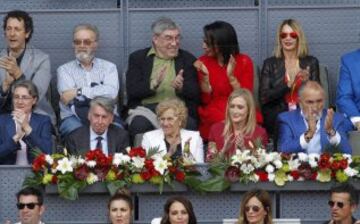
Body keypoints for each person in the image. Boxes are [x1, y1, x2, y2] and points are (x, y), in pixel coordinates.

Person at [126, 17, 200, 141]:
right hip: (147, 110)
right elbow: (132, 91)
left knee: (190, 124)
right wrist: (152, 85)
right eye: (169, 38)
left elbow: (195, 93)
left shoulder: (187, 59)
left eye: (177, 38)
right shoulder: (138, 58)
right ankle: (142, 159)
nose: (174, 43)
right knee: (138, 125)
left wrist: (181, 88)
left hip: (177, 110)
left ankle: (184, 160)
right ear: (155, 39)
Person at [194, 20, 261, 140]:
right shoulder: (203, 62)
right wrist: (205, 79)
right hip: (214, 108)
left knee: (238, 117)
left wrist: (231, 77)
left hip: (239, 105)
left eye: (207, 43)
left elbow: (246, 97)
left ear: (220, 43)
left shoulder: (244, 61)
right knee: (220, 119)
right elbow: (206, 100)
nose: (203, 46)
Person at [259, 18, 320, 140]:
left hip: (304, 113)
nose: (288, 38)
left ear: (299, 38)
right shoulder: (270, 63)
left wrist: (307, 83)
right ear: (279, 39)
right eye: (283, 35)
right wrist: (288, 85)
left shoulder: (311, 62)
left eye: (292, 35)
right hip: (278, 114)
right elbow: (264, 97)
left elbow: (317, 97)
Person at [57, 23, 120, 137]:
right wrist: (99, 91)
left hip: (106, 116)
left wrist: (79, 91)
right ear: (73, 44)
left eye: (87, 42)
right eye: (77, 42)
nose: (81, 45)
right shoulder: (64, 70)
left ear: (95, 44)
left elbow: (112, 93)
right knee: (79, 133)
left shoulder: (109, 67)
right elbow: (68, 98)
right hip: (74, 118)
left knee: (117, 131)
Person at [0, 10, 55, 124]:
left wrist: (18, 74)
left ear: (27, 33)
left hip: (34, 116)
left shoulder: (42, 59)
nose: (12, 33)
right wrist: (4, 87)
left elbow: (37, 95)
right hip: (4, 117)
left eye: (17, 29)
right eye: (9, 29)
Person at [277, 81, 352, 154]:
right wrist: (308, 134)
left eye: (319, 101)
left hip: (326, 165)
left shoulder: (335, 118)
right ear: (300, 102)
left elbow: (347, 151)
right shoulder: (287, 119)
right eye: (310, 102)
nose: (315, 107)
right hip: (299, 165)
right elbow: (283, 150)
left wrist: (331, 132)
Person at [0, 80, 53, 165]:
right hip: (6, 173)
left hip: (34, 174)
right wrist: (16, 138)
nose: (20, 102)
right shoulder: (2, 121)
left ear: (34, 100)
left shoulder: (43, 121)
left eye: (25, 97)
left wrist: (27, 128)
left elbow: (47, 153)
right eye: (16, 97)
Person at [207, 89, 268, 159]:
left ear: (249, 110)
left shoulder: (260, 133)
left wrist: (243, 149)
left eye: (240, 107)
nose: (235, 111)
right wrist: (224, 150)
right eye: (232, 106)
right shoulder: (216, 129)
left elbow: (260, 163)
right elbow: (210, 162)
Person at [141, 98, 204, 163]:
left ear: (180, 120)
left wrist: (187, 155)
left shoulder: (195, 138)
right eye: (162, 119)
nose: (165, 123)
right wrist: (169, 154)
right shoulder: (149, 138)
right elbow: (148, 168)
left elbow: (200, 169)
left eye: (170, 119)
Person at [336, 48, 360, 130]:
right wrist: (358, 120)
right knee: (337, 126)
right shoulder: (349, 61)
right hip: (357, 113)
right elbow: (344, 98)